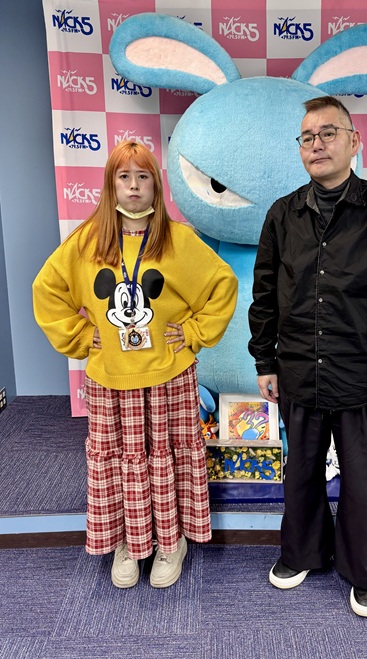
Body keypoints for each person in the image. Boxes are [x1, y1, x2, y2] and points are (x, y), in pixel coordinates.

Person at [248, 96, 367, 617]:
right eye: (307, 137)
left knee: (363, 481)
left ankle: (364, 570)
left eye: (328, 133)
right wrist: (264, 361)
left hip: (363, 377)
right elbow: (264, 294)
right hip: (299, 369)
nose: (317, 144)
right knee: (300, 472)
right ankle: (302, 551)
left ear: (354, 142)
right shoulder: (282, 214)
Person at [33, 141, 238, 589]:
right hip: (111, 379)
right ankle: (128, 540)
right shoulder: (88, 241)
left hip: (168, 376)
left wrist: (194, 331)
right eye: (123, 177)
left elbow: (222, 285)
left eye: (142, 176)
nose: (133, 186)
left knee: (165, 459)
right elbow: (47, 290)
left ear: (155, 186)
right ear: (110, 185)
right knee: (121, 461)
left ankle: (170, 541)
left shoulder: (178, 240)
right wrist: (82, 337)